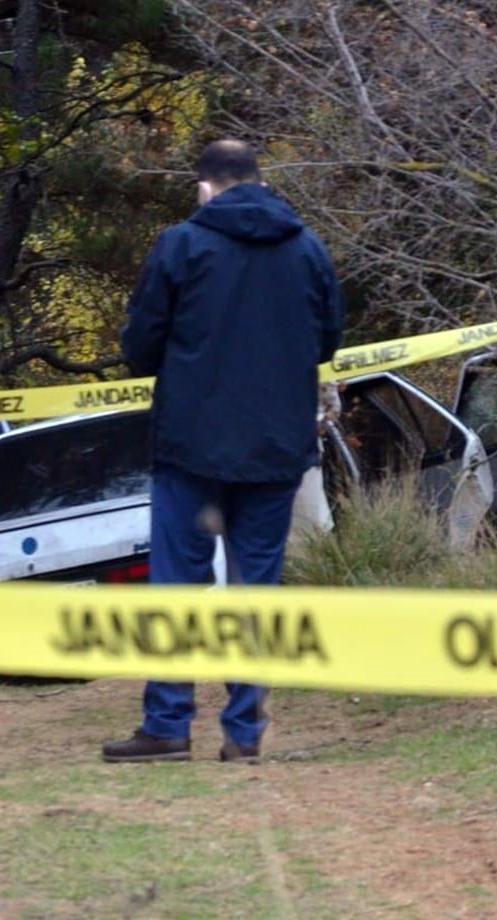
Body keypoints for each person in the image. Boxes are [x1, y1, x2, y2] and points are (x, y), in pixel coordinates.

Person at [102, 139, 344, 764]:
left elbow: (140, 347)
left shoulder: (180, 245)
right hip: (275, 445)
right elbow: (327, 342)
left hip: (191, 443)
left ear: (205, 188)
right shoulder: (308, 248)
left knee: (177, 586)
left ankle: (168, 724)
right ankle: (244, 732)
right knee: (256, 587)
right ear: (260, 181)